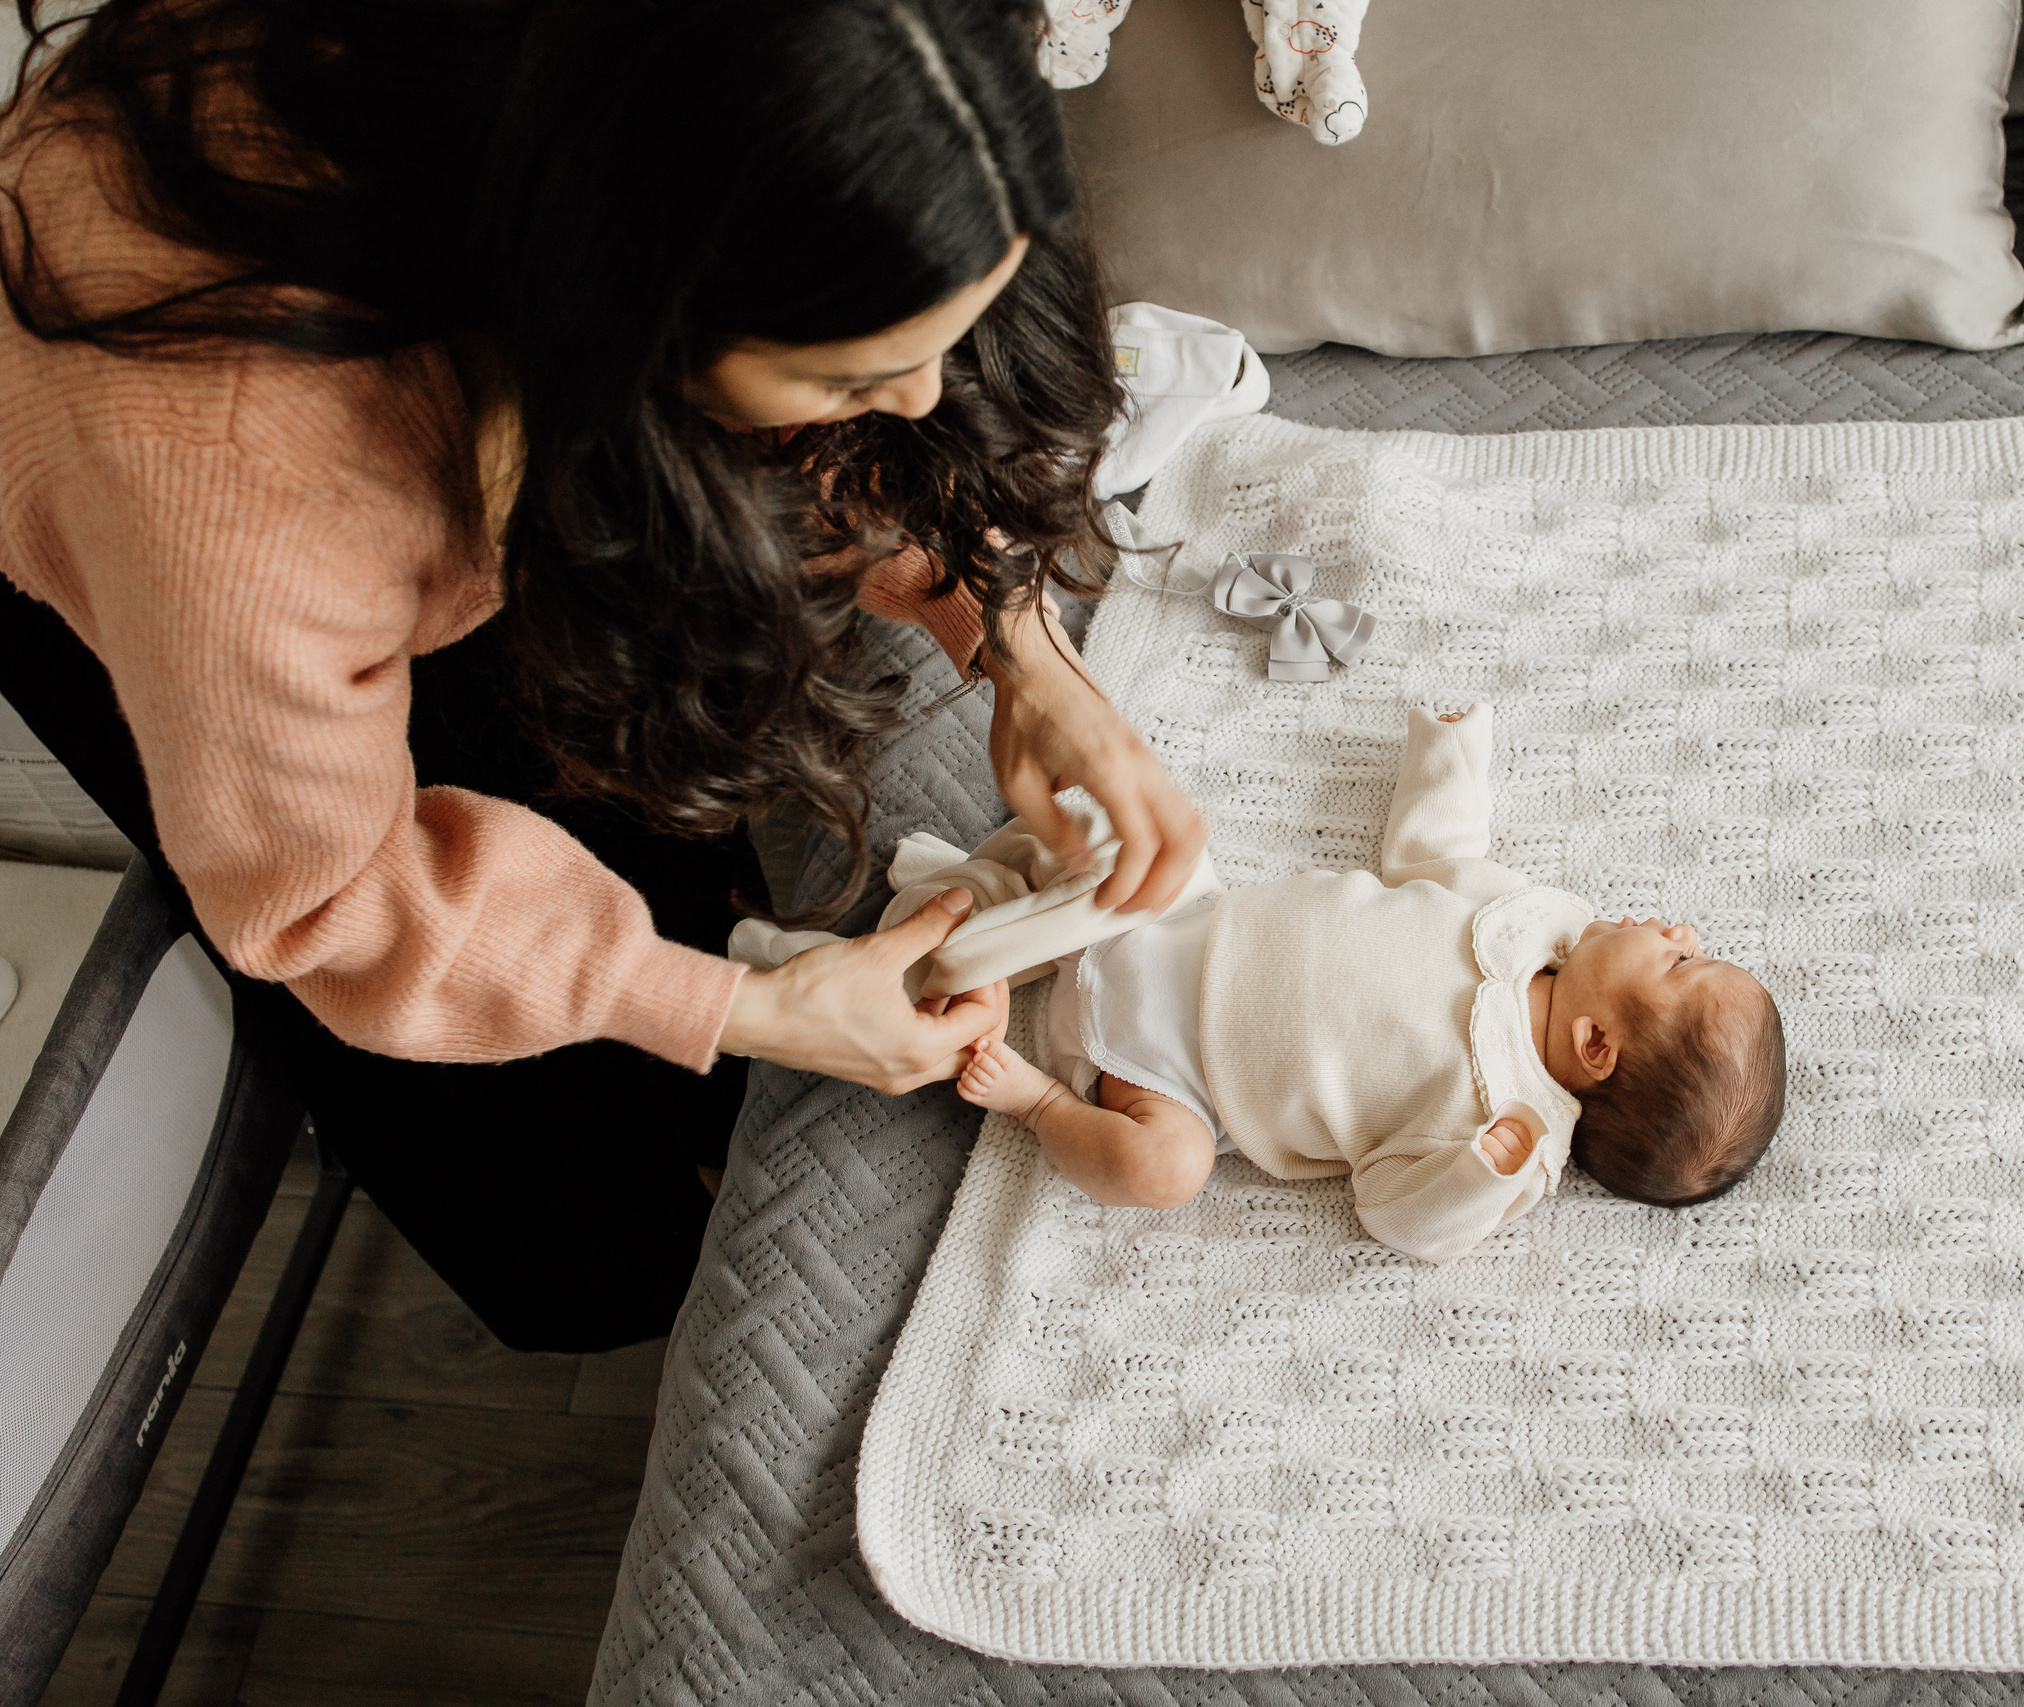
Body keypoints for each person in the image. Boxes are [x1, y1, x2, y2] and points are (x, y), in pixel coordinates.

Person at [0, 0, 1204, 1350]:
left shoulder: (696, 107)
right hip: (170, 534)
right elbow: (335, 895)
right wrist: (744, 1007)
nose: (923, 401)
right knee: (544, 1159)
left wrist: (1014, 639)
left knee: (653, 842)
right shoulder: (251, 504)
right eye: (854, 374)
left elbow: (861, 349)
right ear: (635, 344)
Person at [952, 704, 1788, 1263]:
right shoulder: (1532, 921)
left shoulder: (1512, 1131)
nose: (1682, 931)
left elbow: (1395, 1215)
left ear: (1596, 1043)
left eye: (1682, 961)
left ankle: (1036, 1101)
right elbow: (1434, 856)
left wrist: (1475, 1178)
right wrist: (1451, 755)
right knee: (1135, 807)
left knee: (1169, 1171)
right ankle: (1013, 909)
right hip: (1184, 921)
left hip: (1167, 1079)